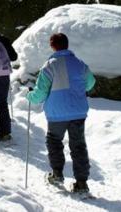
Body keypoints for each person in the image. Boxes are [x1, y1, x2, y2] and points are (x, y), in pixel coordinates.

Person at [27, 33, 96, 193]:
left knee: (54, 141)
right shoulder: (79, 64)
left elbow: (40, 94)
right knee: (78, 146)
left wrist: (29, 95)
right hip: (78, 111)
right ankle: (81, 183)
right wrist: (78, 90)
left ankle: (57, 174)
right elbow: (91, 82)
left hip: (57, 113)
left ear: (52, 46)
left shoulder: (49, 66)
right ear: (67, 44)